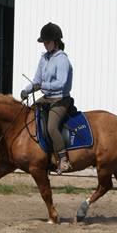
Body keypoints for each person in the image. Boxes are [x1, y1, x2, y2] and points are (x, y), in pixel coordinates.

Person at [20, 22, 74, 174]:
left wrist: (44, 86)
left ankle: (63, 159)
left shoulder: (62, 59)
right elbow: (37, 80)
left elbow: (61, 83)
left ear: (56, 42)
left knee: (51, 127)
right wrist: (27, 90)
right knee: (29, 117)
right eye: (44, 42)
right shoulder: (44, 58)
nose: (45, 45)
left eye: (47, 42)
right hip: (47, 97)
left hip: (60, 100)